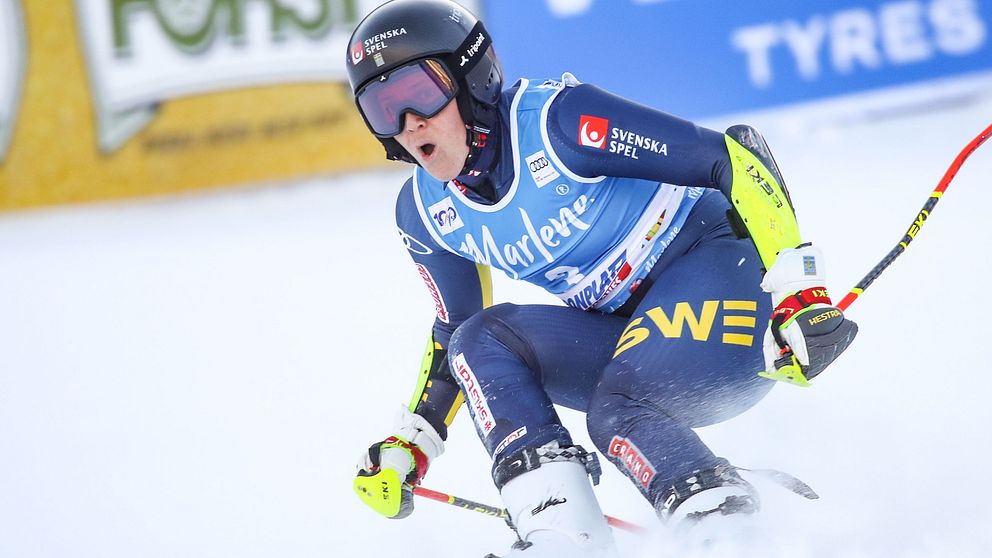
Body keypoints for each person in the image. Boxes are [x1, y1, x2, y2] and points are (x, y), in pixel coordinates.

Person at [347, 1, 858, 556]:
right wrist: (414, 439)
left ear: (474, 77)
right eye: (382, 108)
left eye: (419, 93)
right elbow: (454, 333)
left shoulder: (558, 125)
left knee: (615, 405)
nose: (409, 124)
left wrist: (800, 292)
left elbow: (732, 158)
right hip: (639, 340)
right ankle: (561, 533)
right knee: (480, 342)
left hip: (725, 283)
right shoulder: (425, 212)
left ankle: (726, 525)